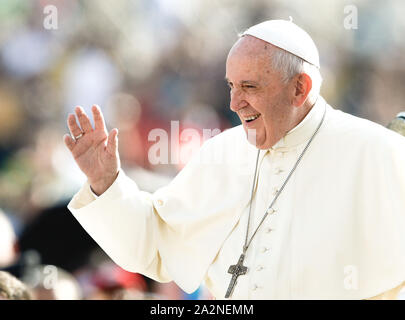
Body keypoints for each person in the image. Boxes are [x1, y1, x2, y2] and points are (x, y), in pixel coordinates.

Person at [64, 19, 405, 299]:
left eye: (250, 87)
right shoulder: (222, 152)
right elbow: (155, 243)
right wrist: (105, 182)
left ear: (299, 88)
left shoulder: (377, 152)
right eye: (230, 86)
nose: (234, 103)